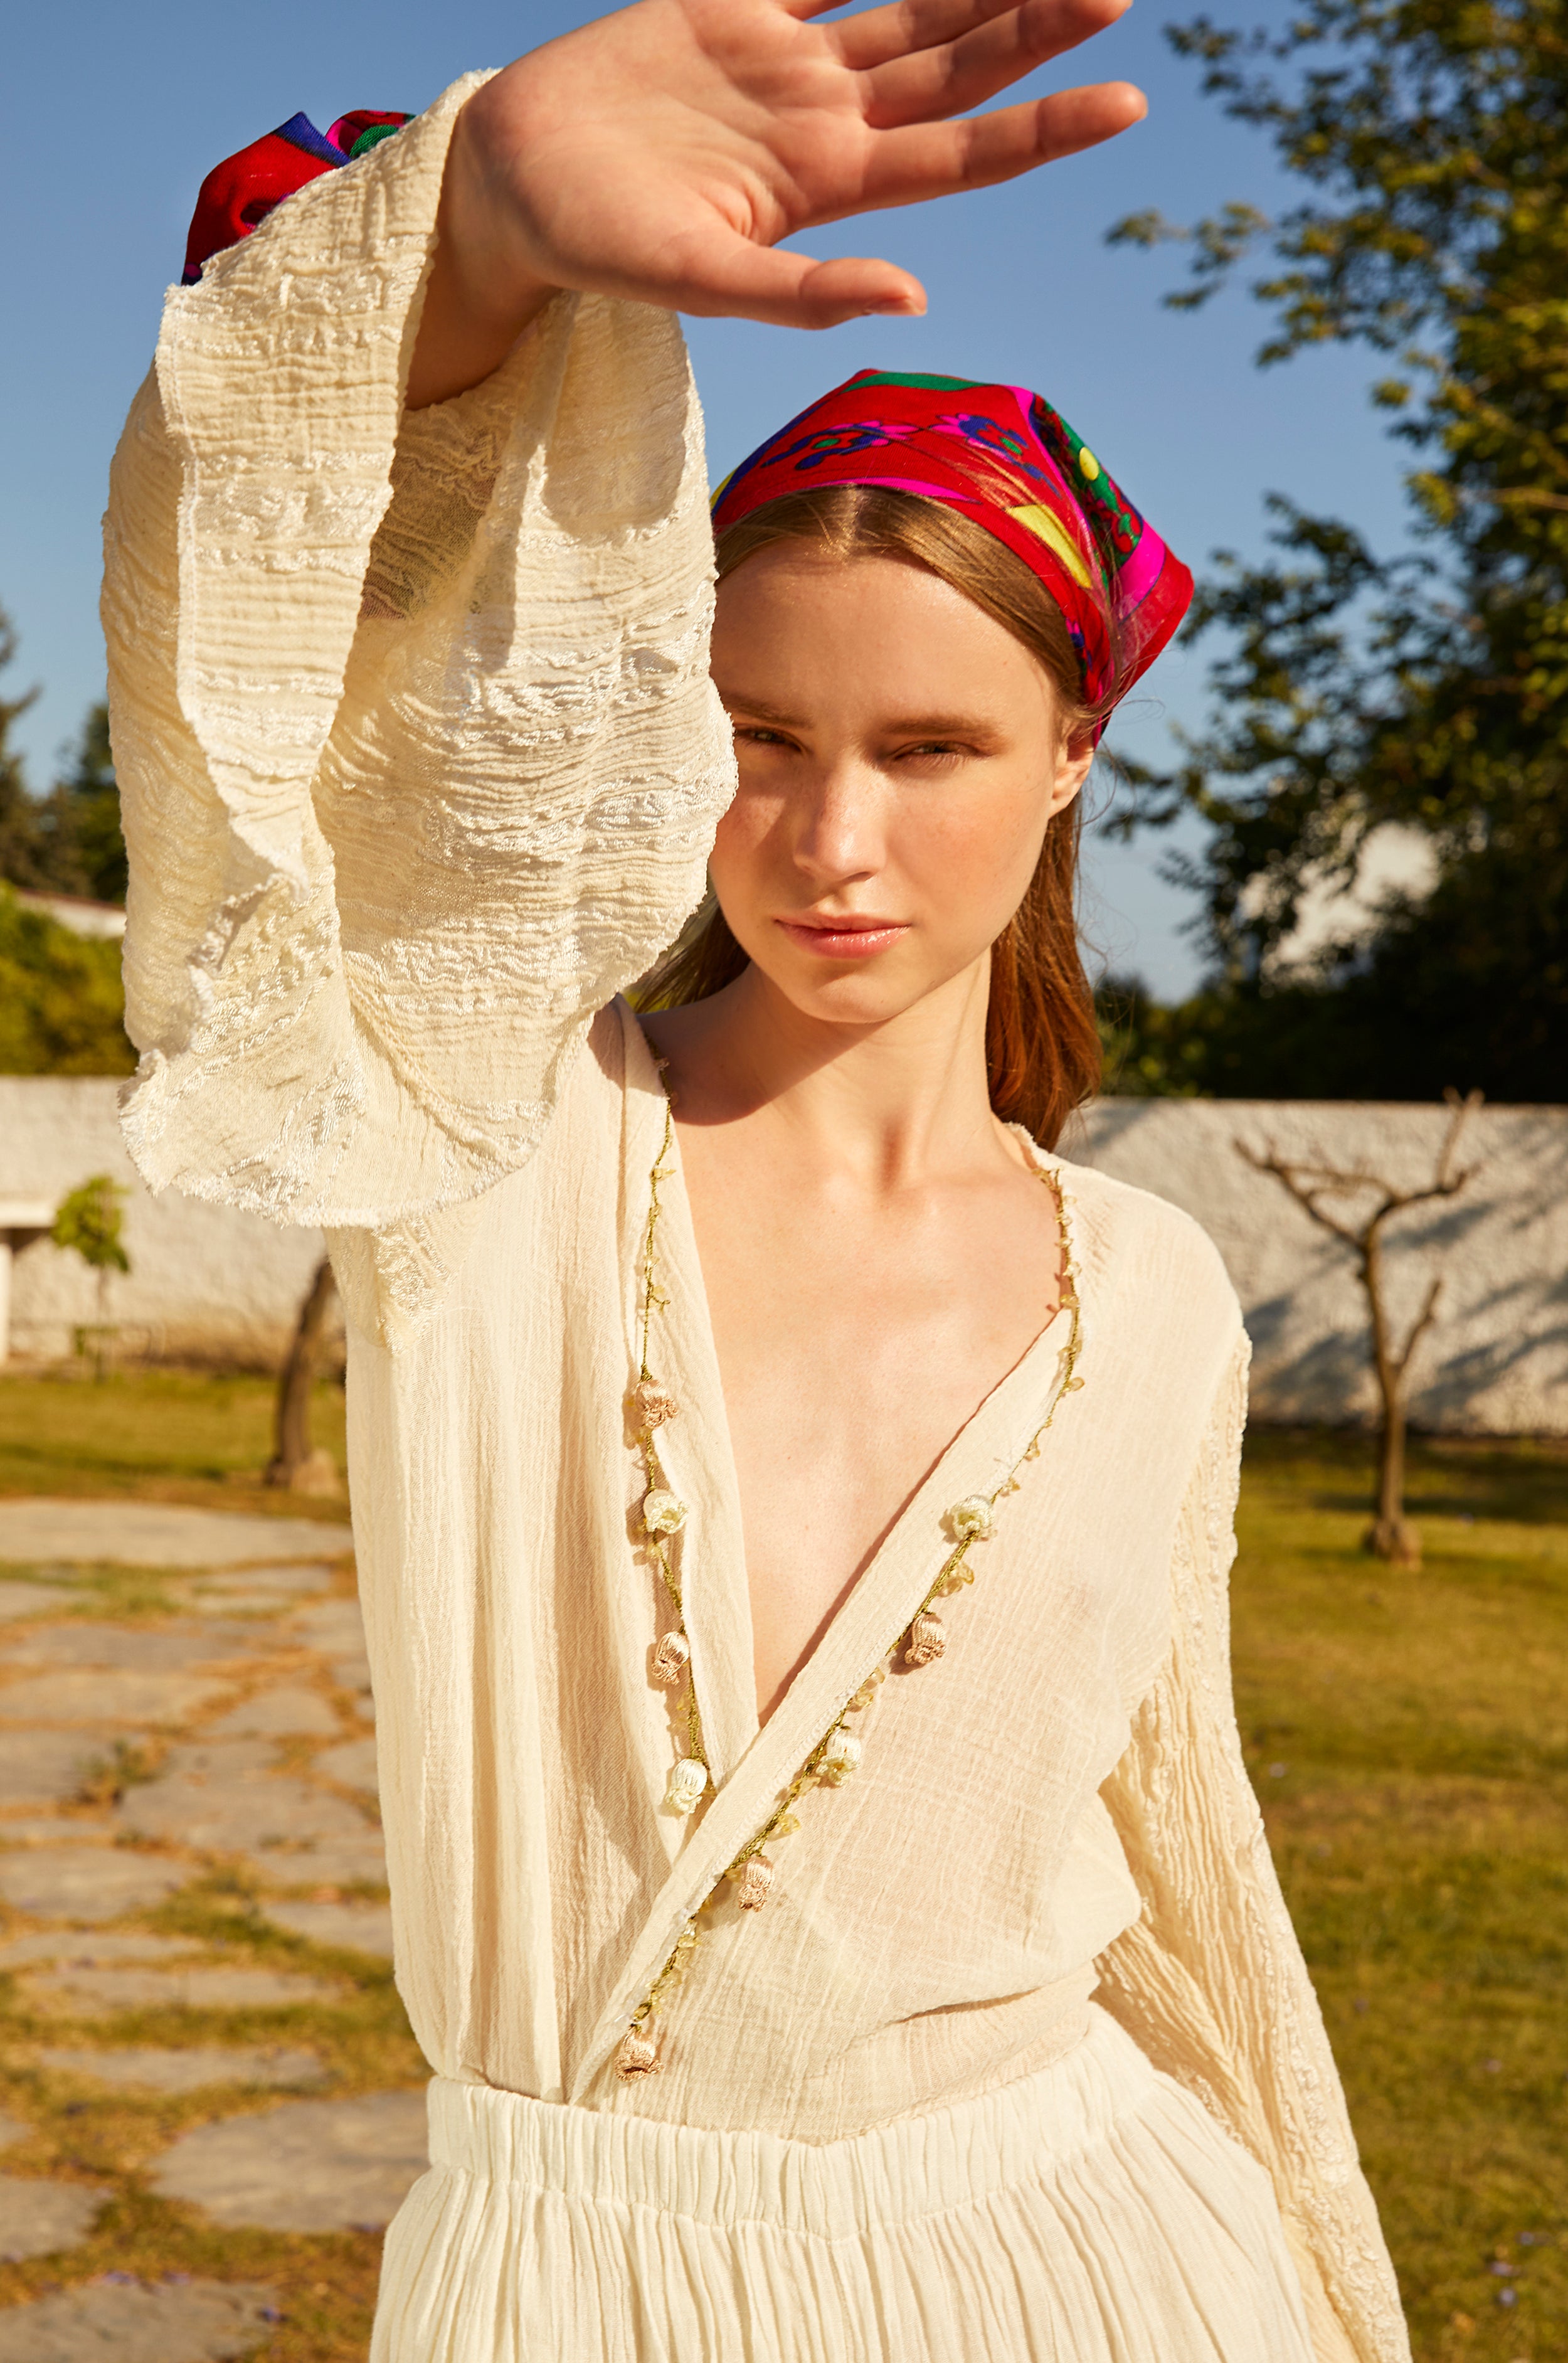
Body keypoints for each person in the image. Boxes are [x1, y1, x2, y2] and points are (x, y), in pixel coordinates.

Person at [105, 3, 1411, 2356]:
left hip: (1099, 2264)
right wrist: (472, 243)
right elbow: (276, 685)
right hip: (569, 2278)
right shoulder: (488, 1130)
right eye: (758, 734)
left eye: (929, 747)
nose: (828, 839)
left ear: (1071, 751)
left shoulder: (1151, 1296)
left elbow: (1185, 1847)